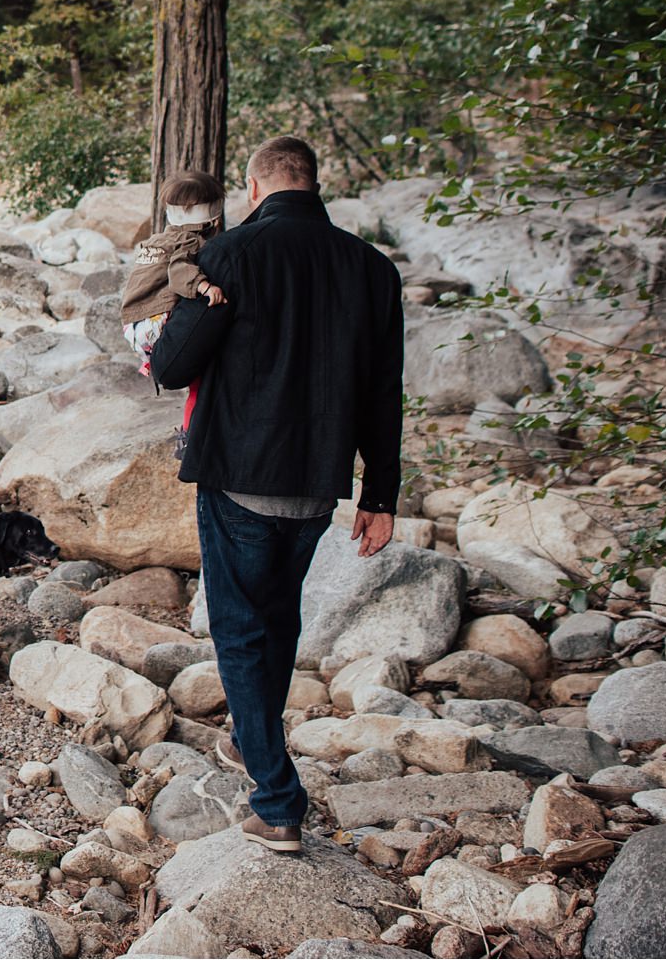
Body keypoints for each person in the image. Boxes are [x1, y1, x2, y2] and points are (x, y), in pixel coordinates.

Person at [153, 136, 403, 855]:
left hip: (240, 478)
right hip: (318, 487)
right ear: (312, 184)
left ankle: (277, 799)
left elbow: (172, 365)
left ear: (255, 189)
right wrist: (379, 495)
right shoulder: (373, 269)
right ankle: (248, 733)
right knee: (276, 616)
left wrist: (192, 302)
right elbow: (385, 395)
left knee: (238, 628)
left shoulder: (229, 256)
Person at [119, 168, 229, 378]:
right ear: (215, 220)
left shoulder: (156, 241)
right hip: (155, 320)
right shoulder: (189, 241)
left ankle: (149, 360)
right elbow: (179, 272)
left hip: (133, 321)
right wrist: (205, 287)